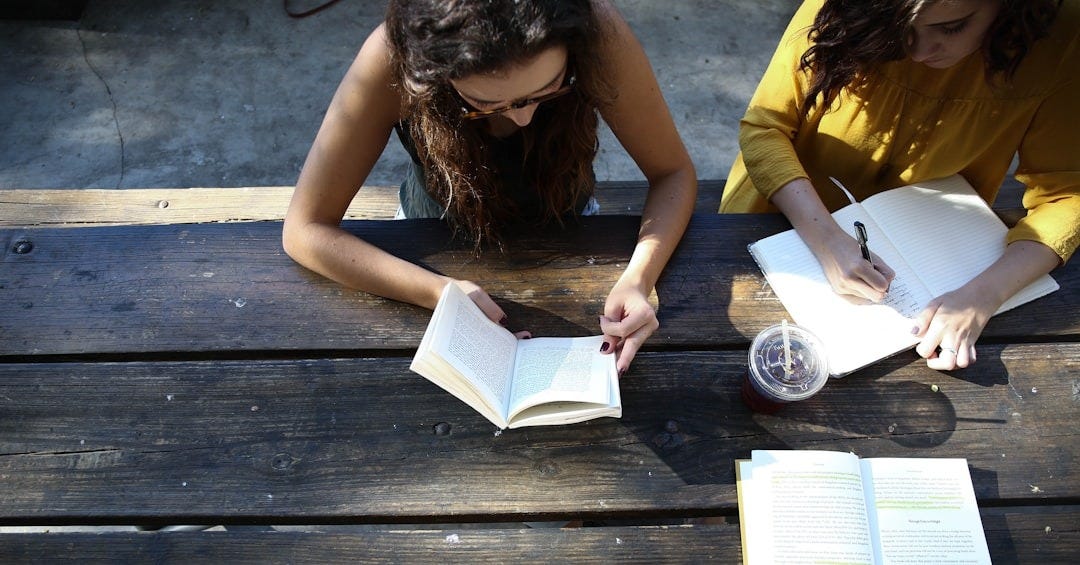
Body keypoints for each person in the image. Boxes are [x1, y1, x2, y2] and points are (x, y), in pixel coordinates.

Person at [283, 0, 697, 375]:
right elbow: (306, 229)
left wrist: (639, 279)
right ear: (430, 74)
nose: (523, 119)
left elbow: (672, 172)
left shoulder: (596, 30)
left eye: (549, 88)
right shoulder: (393, 57)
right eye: (485, 105)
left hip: (570, 224)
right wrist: (440, 292)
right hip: (430, 236)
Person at [721, 0, 1079, 371]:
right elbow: (766, 128)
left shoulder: (1062, 37)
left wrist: (982, 296)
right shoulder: (842, 7)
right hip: (778, 216)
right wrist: (826, 240)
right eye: (901, 28)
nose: (921, 51)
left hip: (941, 258)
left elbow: (1067, 195)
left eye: (952, 27)